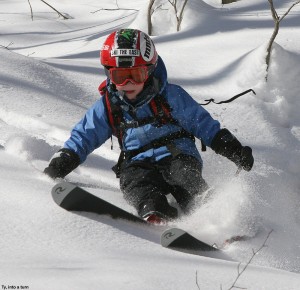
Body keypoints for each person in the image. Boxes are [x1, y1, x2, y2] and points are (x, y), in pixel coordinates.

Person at [44, 28, 254, 224]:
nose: (128, 84)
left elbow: (202, 124)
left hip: (177, 154)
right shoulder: (109, 106)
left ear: (149, 71)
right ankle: (154, 213)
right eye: (119, 76)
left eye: (135, 75)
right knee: (136, 184)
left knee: (185, 176)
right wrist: (65, 158)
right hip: (136, 161)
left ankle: (210, 212)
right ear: (109, 74)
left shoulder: (170, 96)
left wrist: (230, 147)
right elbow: (85, 134)